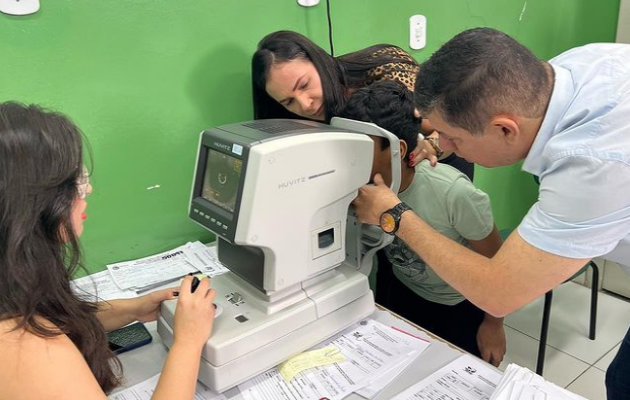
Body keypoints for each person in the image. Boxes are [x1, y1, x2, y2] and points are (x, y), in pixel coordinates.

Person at [352, 27, 630, 399]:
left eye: (453, 138)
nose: (441, 147)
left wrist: (395, 215)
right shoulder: (564, 73)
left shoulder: (593, 164)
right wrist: (445, 136)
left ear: (504, 129)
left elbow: (499, 294)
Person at [0, 102, 217, 400]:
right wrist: (188, 343)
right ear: (30, 205)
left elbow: (54, 319)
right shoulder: (21, 350)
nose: (86, 190)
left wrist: (133, 308)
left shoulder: (13, 285)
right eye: (74, 183)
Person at [339, 80, 505, 366]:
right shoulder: (359, 190)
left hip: (456, 304)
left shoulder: (454, 193)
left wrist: (494, 325)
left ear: (398, 149)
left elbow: (496, 264)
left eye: (361, 150)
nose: (350, 161)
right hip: (404, 292)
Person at [251, 30, 475, 181]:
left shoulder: (386, 73)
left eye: (304, 84)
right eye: (288, 101)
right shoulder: (298, 121)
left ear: (319, 61)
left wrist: (432, 146)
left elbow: (453, 129)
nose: (305, 105)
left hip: (440, 171)